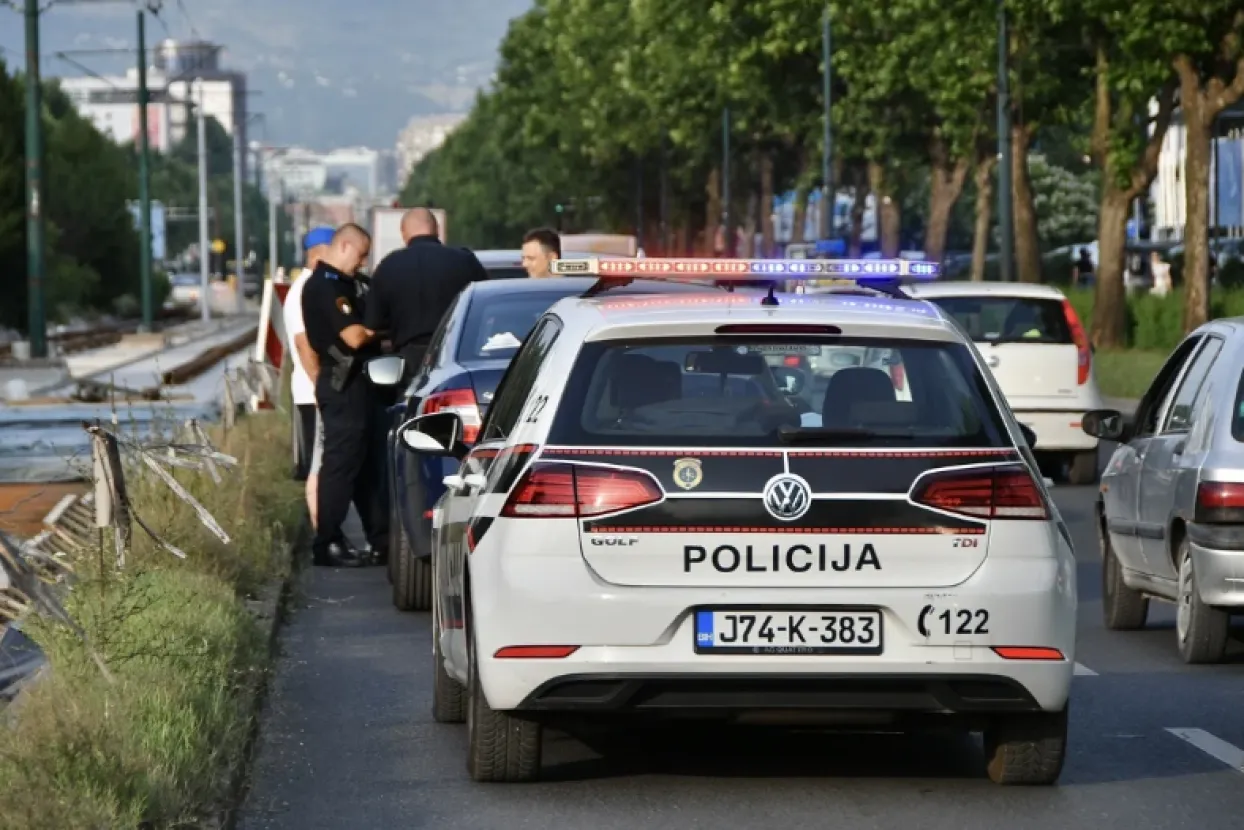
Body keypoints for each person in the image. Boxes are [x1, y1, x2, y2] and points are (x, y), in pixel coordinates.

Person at [300, 223, 390, 568]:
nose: (363, 262)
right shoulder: (325, 287)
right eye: (361, 254)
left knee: (366, 466)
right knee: (340, 466)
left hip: (359, 384)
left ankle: (380, 539)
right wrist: (377, 331)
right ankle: (327, 541)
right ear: (345, 246)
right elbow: (354, 337)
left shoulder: (348, 284)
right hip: (343, 383)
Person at [364, 207, 488, 377]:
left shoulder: (388, 266)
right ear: (436, 229)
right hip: (457, 354)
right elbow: (486, 306)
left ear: (403, 232)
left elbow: (372, 324)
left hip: (409, 361)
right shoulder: (465, 260)